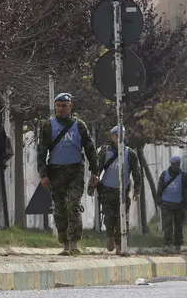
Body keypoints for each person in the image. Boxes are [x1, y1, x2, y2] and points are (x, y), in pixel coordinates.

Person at [36, 92, 99, 256]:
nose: (60, 109)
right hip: (55, 171)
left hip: (75, 170)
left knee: (73, 204)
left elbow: (90, 149)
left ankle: (74, 243)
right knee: (59, 209)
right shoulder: (47, 126)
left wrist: (95, 171)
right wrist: (43, 175)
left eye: (64, 105)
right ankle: (64, 243)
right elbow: (41, 152)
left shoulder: (79, 126)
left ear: (70, 106)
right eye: (58, 106)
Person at [96, 126, 141, 254]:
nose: (119, 138)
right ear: (112, 136)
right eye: (116, 135)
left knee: (121, 220)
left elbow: (136, 173)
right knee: (109, 217)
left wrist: (136, 191)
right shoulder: (105, 152)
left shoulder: (130, 153)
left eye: (121, 135)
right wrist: (93, 184)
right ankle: (109, 235)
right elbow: (97, 170)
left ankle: (120, 245)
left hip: (123, 191)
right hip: (107, 190)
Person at [156, 155, 187, 252]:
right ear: (171, 164)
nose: (175, 166)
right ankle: (168, 244)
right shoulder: (164, 174)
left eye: (177, 164)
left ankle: (177, 244)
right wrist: (159, 202)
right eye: (173, 164)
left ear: (179, 164)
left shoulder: (184, 176)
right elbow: (159, 188)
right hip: (166, 204)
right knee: (167, 225)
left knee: (178, 226)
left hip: (179, 205)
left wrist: (186, 204)